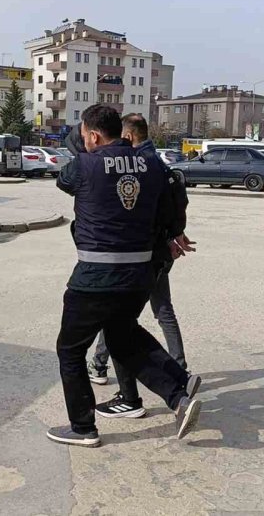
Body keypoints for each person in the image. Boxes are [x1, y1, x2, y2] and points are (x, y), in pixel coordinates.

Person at [49, 105, 202, 448]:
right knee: (124, 337)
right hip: (139, 276)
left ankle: (82, 427)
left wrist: (82, 149)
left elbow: (64, 180)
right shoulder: (151, 163)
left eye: (85, 136)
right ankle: (179, 393)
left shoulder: (86, 164)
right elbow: (167, 204)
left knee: (70, 350)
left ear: (92, 135)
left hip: (94, 277)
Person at [88, 114, 194, 419]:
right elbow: (167, 206)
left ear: (128, 136)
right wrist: (175, 234)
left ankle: (149, 387)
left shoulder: (140, 162)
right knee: (154, 313)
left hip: (143, 253)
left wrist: (168, 236)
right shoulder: (155, 161)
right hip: (158, 249)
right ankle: (179, 372)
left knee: (120, 322)